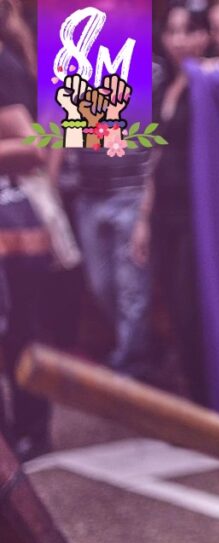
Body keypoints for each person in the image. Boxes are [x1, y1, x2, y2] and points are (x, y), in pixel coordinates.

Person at [134, 1, 210, 405]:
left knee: (190, 306)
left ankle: (205, 398)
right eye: (172, 32)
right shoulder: (164, 84)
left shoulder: (212, 82)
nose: (179, 40)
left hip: (198, 213)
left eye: (188, 31)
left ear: (204, 36)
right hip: (163, 208)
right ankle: (193, 391)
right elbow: (154, 154)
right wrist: (143, 219)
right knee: (173, 305)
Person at [0, 0, 51, 461]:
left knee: (21, 330)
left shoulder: (4, 63)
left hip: (13, 221)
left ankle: (31, 430)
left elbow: (36, 145)